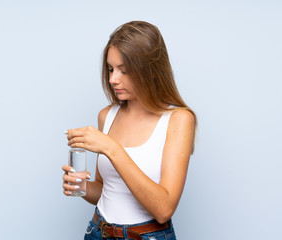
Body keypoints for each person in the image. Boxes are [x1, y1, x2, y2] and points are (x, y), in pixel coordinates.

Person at [62, 21, 196, 240]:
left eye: (124, 71)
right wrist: (82, 186)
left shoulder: (178, 120)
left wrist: (111, 148)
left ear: (150, 70)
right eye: (110, 69)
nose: (113, 79)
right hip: (98, 232)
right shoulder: (107, 116)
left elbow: (163, 210)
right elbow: (107, 191)